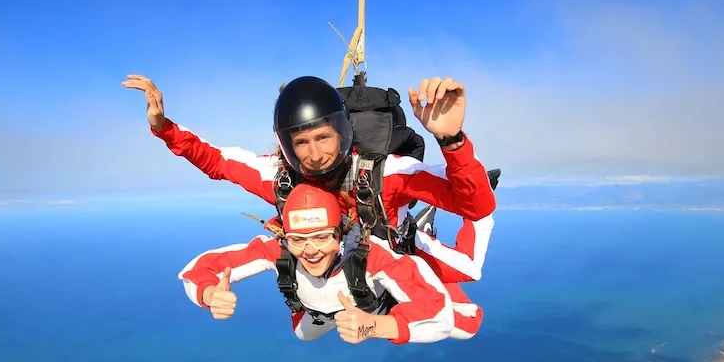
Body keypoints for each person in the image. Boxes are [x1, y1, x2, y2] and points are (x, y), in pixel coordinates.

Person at [122, 74, 500, 286]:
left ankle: (421, 228)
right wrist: (163, 127)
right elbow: (216, 161)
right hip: (335, 256)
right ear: (286, 144)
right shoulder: (278, 176)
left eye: (323, 137)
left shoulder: (386, 174)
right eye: (301, 143)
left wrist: (451, 141)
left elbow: (474, 206)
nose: (315, 154)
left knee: (468, 270)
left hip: (391, 244)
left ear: (343, 132)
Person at [179, 182, 483, 344]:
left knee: (467, 324)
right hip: (321, 314)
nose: (310, 251)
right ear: (285, 236)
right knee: (302, 335)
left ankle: (455, 228)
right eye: (298, 240)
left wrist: (376, 326)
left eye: (322, 237)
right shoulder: (277, 250)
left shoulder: (371, 254)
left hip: (376, 307)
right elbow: (197, 270)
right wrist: (209, 295)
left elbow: (437, 311)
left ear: (341, 233)